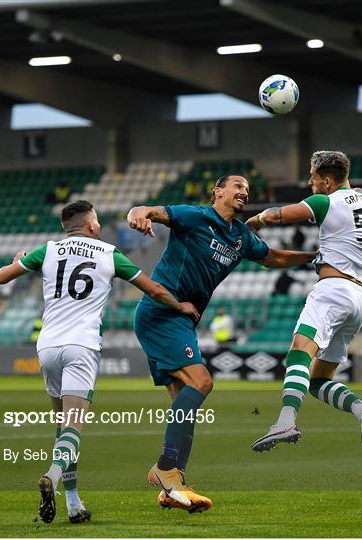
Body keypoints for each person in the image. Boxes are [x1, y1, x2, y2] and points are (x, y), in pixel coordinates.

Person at [0, 200, 198, 525]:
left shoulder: (46, 250)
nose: (100, 225)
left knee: (63, 427)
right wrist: (181, 306)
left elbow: (1, 278)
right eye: (98, 220)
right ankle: (52, 475)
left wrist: (16, 261)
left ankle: (74, 503)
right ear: (90, 224)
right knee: (73, 426)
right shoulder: (107, 253)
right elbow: (154, 290)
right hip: (81, 347)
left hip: (46, 347)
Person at [127, 175, 316, 512]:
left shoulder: (241, 236)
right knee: (202, 382)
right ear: (218, 192)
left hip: (182, 319)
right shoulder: (196, 216)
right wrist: (138, 214)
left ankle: (172, 485)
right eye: (237, 187)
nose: (244, 192)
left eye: (247, 189)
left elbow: (272, 257)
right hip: (162, 312)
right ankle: (165, 471)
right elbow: (150, 210)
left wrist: (311, 257)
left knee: (183, 404)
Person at [246, 151, 362, 453]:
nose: (310, 183)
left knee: (300, 349)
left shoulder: (324, 202)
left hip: (333, 290)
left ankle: (286, 420)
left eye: (314, 178)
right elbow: (354, 190)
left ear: (328, 181)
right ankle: (361, 411)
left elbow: (278, 214)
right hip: (359, 300)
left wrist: (256, 219)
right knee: (318, 380)